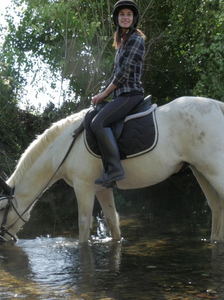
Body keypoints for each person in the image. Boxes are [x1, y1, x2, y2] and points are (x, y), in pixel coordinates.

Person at [91, 0, 146, 188]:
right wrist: (101, 94)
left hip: (130, 94)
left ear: (134, 18)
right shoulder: (121, 45)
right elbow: (115, 74)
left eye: (129, 14)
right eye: (122, 14)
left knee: (97, 123)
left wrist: (105, 93)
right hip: (121, 95)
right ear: (117, 18)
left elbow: (124, 73)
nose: (125, 17)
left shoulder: (136, 39)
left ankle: (114, 170)